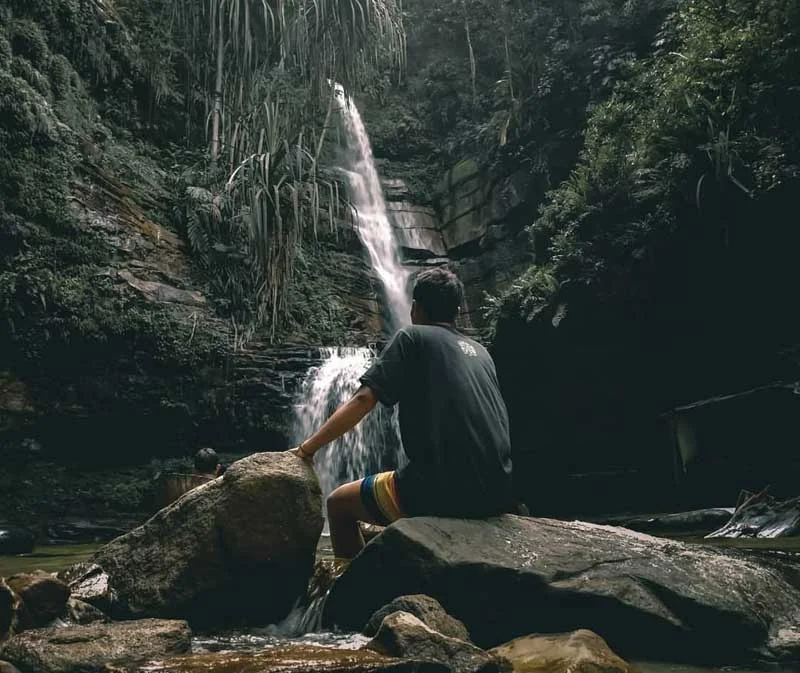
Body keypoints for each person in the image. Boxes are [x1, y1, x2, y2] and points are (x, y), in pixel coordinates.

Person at [290, 267, 513, 559]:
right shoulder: (481, 352)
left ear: (415, 307)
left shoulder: (412, 337)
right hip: (499, 491)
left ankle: (353, 595)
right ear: (457, 310)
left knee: (338, 504)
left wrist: (308, 449)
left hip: (439, 488)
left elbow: (363, 400)